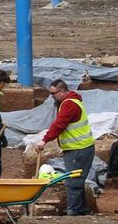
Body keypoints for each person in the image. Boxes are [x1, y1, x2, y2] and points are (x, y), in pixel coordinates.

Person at [33, 81, 96, 215]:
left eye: (53, 93)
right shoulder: (70, 102)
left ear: (62, 91)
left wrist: (44, 140)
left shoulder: (69, 105)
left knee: (73, 182)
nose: (51, 97)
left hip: (78, 149)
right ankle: (83, 210)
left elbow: (59, 125)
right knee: (77, 180)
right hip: (79, 148)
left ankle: (74, 211)